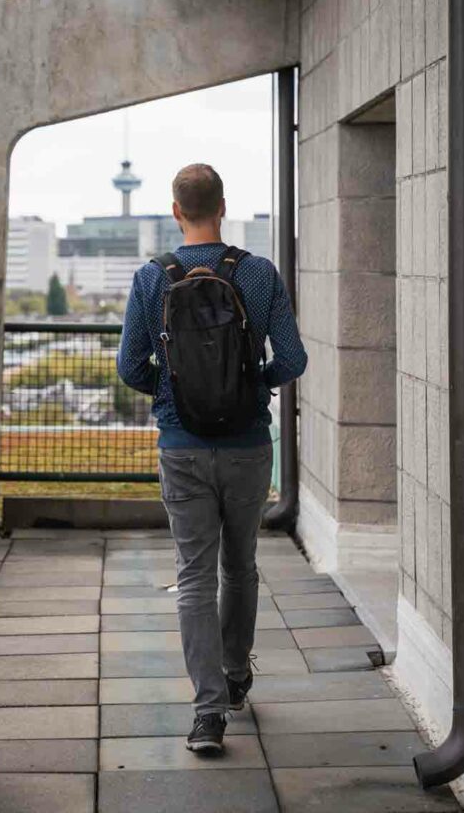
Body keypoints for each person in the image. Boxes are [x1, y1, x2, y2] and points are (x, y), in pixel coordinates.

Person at [117, 163, 308, 753]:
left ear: (177, 211)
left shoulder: (152, 279)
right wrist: (253, 386)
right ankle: (235, 676)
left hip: (182, 448)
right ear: (222, 206)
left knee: (193, 577)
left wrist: (176, 396)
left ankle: (208, 716)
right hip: (249, 446)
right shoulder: (256, 273)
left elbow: (129, 368)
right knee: (240, 565)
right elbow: (294, 359)